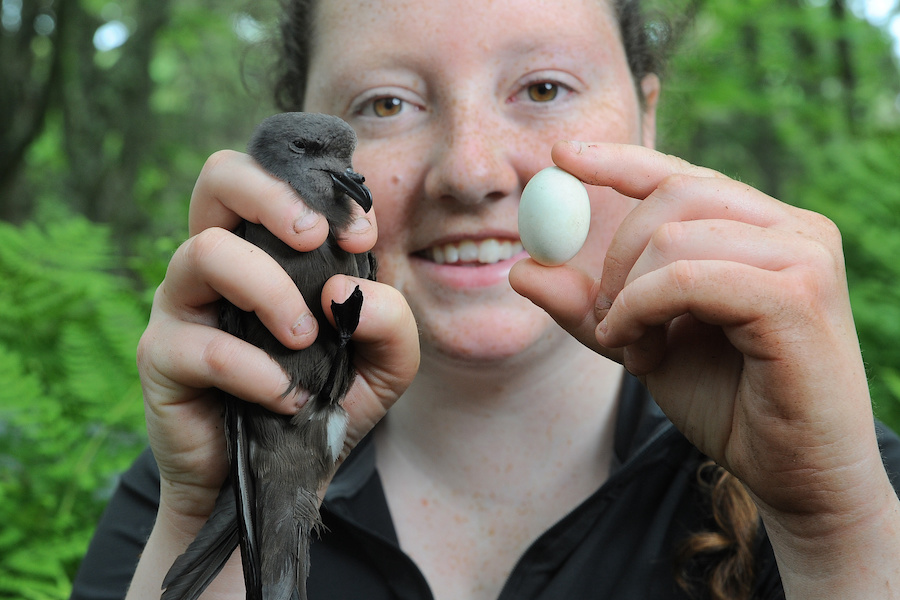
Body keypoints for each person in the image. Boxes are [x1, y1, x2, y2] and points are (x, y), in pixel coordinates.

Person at [71, 0, 900, 598]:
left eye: (543, 89)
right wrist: (239, 504)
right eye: (385, 105)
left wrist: (833, 534)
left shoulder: (846, 490)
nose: (470, 171)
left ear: (647, 122)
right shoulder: (181, 496)